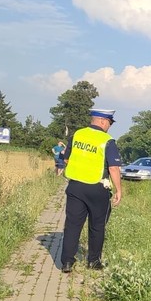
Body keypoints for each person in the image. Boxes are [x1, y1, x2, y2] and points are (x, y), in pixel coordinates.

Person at [60, 109, 123, 273]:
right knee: (97, 226)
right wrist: (118, 190)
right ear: (103, 121)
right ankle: (93, 261)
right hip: (97, 188)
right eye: (110, 123)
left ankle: (67, 262)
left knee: (72, 225)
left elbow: (66, 158)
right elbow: (114, 168)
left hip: (75, 187)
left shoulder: (77, 135)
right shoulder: (107, 140)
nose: (109, 126)